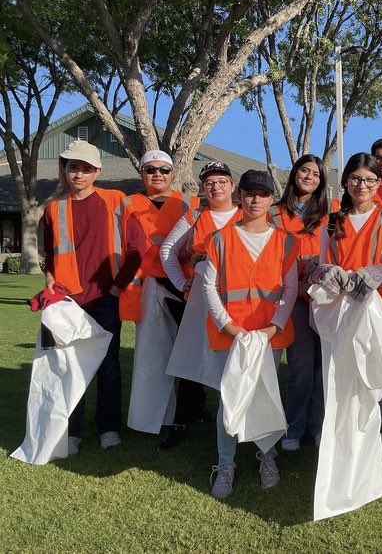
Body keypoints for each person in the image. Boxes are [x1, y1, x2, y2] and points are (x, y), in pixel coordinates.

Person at [311, 152, 382, 520]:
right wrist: (327, 272)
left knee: (368, 391)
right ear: (345, 181)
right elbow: (319, 264)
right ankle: (337, 464)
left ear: (379, 182)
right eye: (355, 179)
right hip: (337, 315)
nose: (362, 186)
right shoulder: (331, 221)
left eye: (369, 180)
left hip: (374, 316)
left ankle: (366, 471)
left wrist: (375, 271)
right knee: (338, 390)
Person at [42, 140, 147, 455]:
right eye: (73, 167)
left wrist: (116, 288)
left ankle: (108, 428)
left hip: (104, 298)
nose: (78, 174)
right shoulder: (53, 209)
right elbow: (50, 255)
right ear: (65, 169)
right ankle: (72, 431)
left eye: (86, 168)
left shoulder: (115, 201)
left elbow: (137, 249)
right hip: (66, 300)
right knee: (69, 365)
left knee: (108, 365)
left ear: (97, 171)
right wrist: (49, 284)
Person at [203, 169, 299, 499]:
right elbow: (209, 287)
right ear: (239, 196)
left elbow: (290, 288)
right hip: (229, 334)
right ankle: (225, 463)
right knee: (228, 399)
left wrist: (275, 327)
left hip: (268, 336)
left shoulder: (287, 241)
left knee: (266, 396)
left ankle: (266, 456)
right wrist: (229, 326)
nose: (255, 199)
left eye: (263, 194)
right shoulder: (220, 238)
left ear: (272, 199)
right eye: (249, 193)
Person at [161, 161, 241, 448]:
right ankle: (182, 419)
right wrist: (180, 281)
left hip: (236, 297)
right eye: (209, 182)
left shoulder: (246, 215)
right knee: (192, 355)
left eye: (221, 181)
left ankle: (236, 422)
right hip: (200, 297)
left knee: (234, 359)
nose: (216, 187)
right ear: (203, 188)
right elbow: (168, 248)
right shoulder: (196, 215)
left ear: (232, 185)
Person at [123, 150, 201, 446]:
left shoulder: (188, 203)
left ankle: (191, 408)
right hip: (148, 285)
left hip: (183, 285)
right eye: (151, 170)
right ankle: (157, 413)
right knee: (154, 353)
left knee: (189, 349)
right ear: (142, 173)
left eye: (164, 170)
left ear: (173, 173)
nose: (158, 175)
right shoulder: (128, 204)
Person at [273, 154, 333, 452]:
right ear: (295, 173)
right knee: (299, 367)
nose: (309, 176)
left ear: (322, 181)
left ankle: (319, 426)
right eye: (304, 170)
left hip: (324, 299)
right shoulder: (275, 213)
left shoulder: (330, 215)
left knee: (324, 368)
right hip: (294, 298)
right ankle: (294, 427)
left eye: (316, 174)